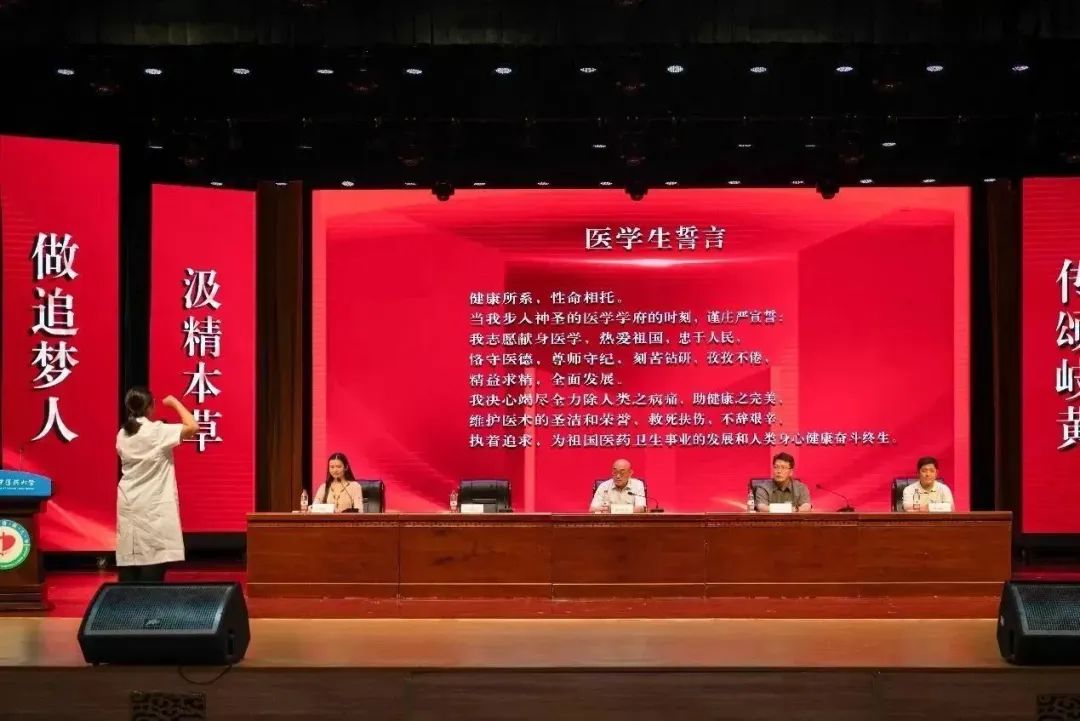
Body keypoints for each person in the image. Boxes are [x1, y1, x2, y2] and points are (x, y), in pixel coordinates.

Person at [115, 388, 198, 583]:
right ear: (150, 406)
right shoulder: (156, 432)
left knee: (130, 561)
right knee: (153, 561)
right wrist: (174, 402)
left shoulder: (122, 433)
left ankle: (123, 602)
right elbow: (193, 426)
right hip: (152, 504)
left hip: (129, 501)